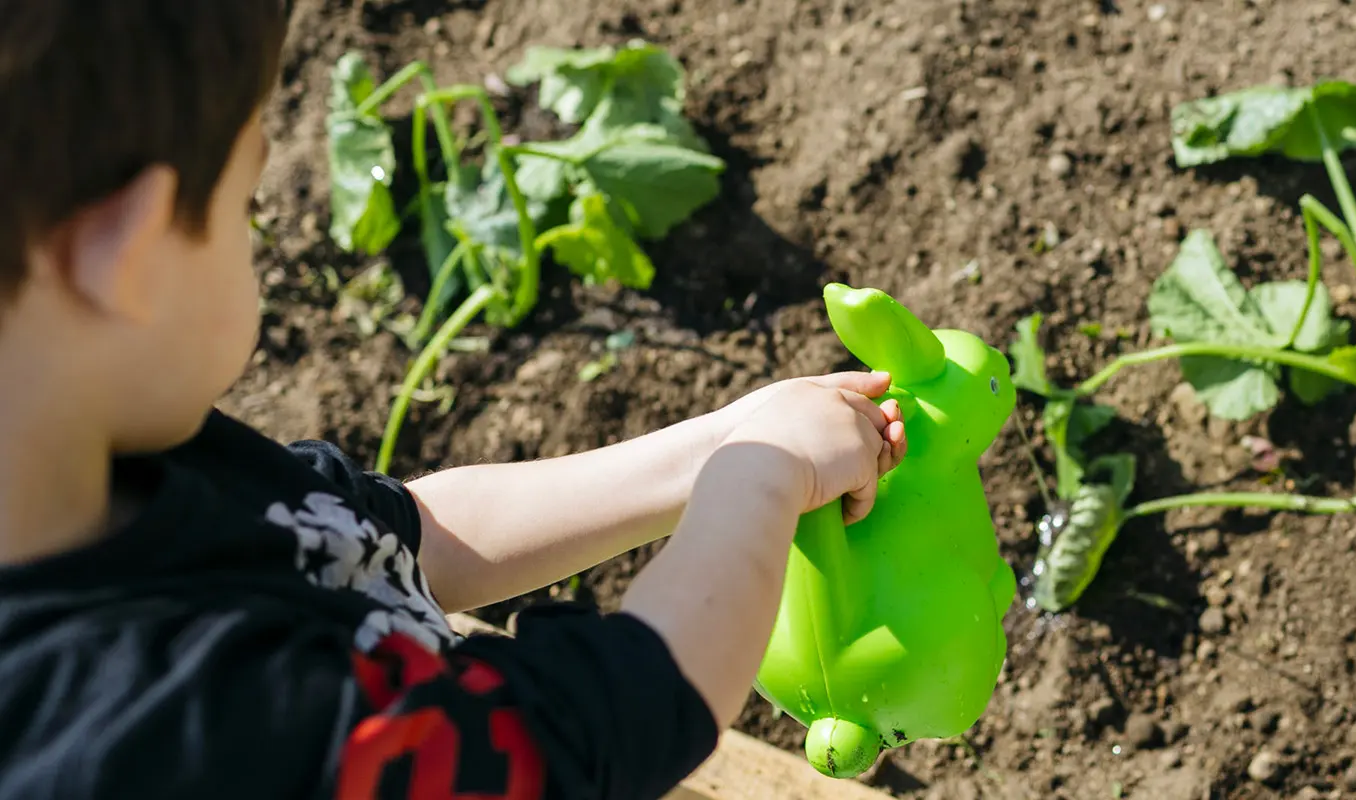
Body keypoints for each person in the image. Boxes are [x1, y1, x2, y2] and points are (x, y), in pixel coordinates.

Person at [0, 2, 909, 797]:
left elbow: (406, 538)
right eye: (248, 203)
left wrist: (728, 436)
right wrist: (765, 476)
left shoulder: (99, 456)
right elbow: (606, 724)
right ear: (136, 254)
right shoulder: (182, 737)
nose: (257, 231)